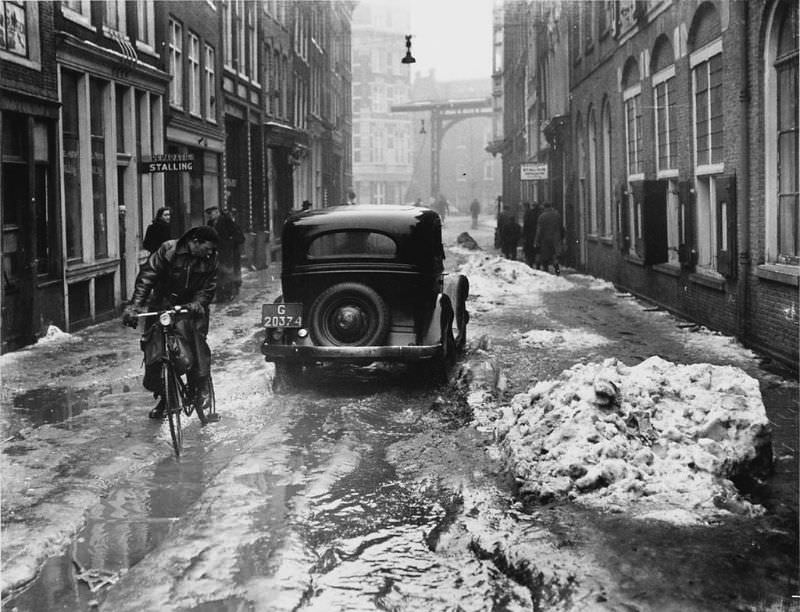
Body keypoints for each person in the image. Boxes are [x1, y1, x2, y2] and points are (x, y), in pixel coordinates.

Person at [122, 226, 219, 420]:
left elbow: (208, 287)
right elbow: (147, 277)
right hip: (162, 306)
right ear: (195, 241)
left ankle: (201, 390)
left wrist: (197, 304)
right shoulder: (168, 250)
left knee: (196, 347)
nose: (210, 252)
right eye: (207, 248)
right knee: (154, 352)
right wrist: (135, 306)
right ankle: (165, 397)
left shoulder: (211, 259)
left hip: (191, 309)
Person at [205, 206, 245, 301]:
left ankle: (228, 293)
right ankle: (220, 295)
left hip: (228, 252)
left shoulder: (226, 220)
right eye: (208, 214)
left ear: (217, 212)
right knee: (218, 273)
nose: (209, 216)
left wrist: (229, 244)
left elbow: (237, 235)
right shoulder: (210, 223)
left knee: (227, 272)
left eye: (211, 214)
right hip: (216, 252)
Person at [535, 202, 564, 275]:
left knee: (545, 257)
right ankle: (557, 271)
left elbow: (539, 230)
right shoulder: (557, 215)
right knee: (554, 256)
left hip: (545, 240)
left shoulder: (542, 217)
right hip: (555, 239)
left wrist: (536, 241)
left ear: (545, 207)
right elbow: (561, 227)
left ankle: (546, 272)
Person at [522, 202, 542, 268]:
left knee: (530, 251)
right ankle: (538, 264)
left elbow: (526, 225)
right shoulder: (541, 213)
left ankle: (530, 263)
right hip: (540, 236)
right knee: (538, 251)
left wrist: (524, 235)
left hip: (530, 236)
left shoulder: (529, 214)